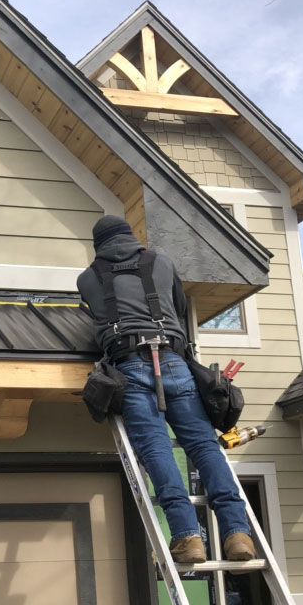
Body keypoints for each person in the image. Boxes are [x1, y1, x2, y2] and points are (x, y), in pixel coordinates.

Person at [77, 215, 255, 564]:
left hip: (129, 364)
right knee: (204, 447)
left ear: (97, 245)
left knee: (157, 449)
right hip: (174, 362)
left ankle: (188, 537)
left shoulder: (89, 277)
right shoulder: (161, 262)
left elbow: (95, 316)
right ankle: (237, 533)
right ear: (131, 236)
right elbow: (178, 306)